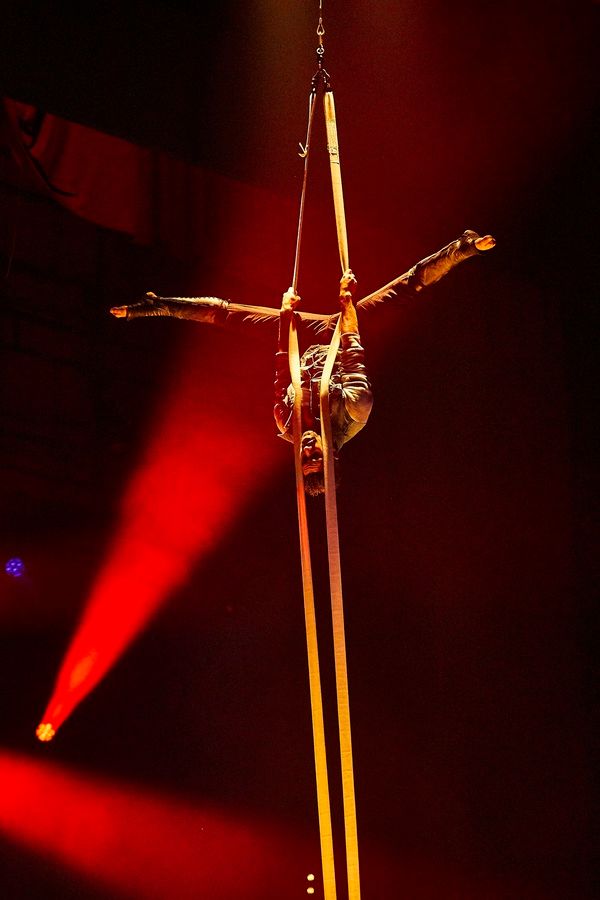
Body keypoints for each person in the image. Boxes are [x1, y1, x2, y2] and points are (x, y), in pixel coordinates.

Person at [274, 229, 495, 496]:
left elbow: (283, 365)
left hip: (305, 335)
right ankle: (464, 246)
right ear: (331, 457)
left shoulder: (286, 421)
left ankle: (208, 310)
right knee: (402, 290)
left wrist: (286, 315)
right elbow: (350, 345)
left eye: (304, 459)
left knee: (240, 318)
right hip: (342, 332)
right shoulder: (355, 411)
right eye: (315, 457)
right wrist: (346, 299)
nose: (308, 450)